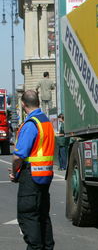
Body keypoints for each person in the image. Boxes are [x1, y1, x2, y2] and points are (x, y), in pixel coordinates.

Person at [9, 90, 55, 249]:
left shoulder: (31, 124)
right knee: (42, 217)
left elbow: (18, 156)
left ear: (23, 104)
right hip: (45, 176)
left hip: (31, 176)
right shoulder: (46, 122)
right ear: (39, 102)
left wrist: (15, 172)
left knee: (28, 216)